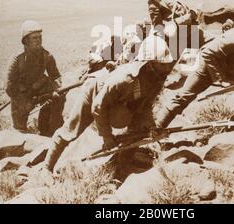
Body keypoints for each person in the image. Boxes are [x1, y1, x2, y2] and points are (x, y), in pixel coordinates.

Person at [42, 35, 174, 172]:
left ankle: (123, 164)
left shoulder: (156, 79)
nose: (166, 68)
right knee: (71, 130)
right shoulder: (124, 79)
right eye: (161, 64)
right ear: (148, 63)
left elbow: (145, 106)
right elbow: (98, 107)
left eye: (167, 64)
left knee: (139, 129)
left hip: (120, 103)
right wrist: (107, 136)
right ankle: (47, 168)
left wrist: (151, 126)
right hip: (95, 92)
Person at [155, 0, 234, 128]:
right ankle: (155, 128)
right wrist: (220, 79)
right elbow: (207, 53)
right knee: (184, 97)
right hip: (208, 68)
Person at [6, 20, 65, 136]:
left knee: (58, 99)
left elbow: (55, 76)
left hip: (40, 89)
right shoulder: (17, 59)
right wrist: (25, 103)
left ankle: (48, 131)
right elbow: (9, 87)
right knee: (19, 131)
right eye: (34, 38)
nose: (38, 40)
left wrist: (57, 89)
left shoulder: (46, 56)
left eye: (40, 37)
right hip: (21, 95)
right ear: (26, 41)